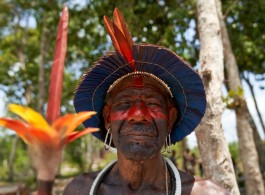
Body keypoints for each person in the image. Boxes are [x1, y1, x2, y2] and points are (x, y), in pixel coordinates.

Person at [38, 8, 229, 195]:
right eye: (125, 104)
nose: (138, 115)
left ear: (170, 119)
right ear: (107, 118)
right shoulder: (80, 190)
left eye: (153, 103)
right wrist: (45, 179)